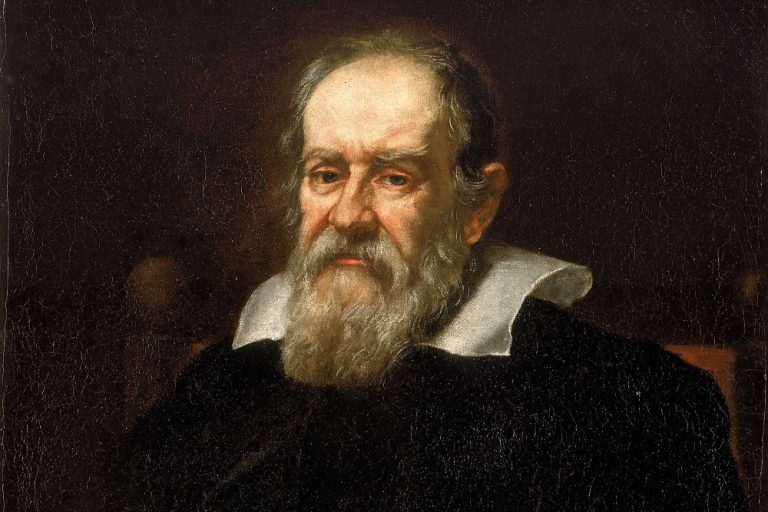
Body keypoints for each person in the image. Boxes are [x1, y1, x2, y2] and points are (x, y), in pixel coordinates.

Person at [117, 31, 747, 511]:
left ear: (476, 207)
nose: (349, 215)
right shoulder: (218, 386)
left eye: (394, 178)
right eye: (326, 174)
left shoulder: (633, 403)